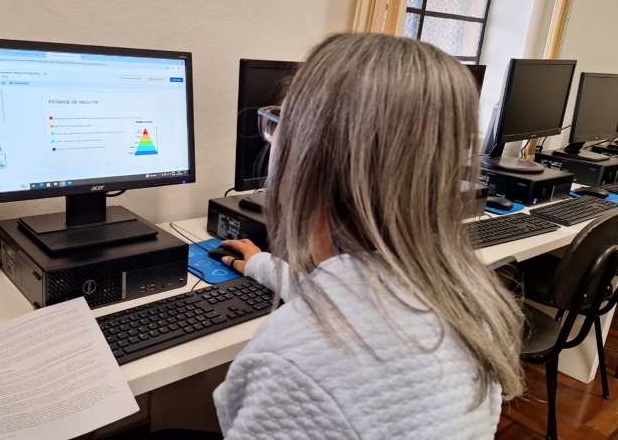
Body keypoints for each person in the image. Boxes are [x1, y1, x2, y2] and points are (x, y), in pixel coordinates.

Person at [209, 33, 525, 439]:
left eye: (280, 122)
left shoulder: (297, 362)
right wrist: (259, 263)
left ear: (306, 156)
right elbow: (350, 293)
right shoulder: (472, 303)